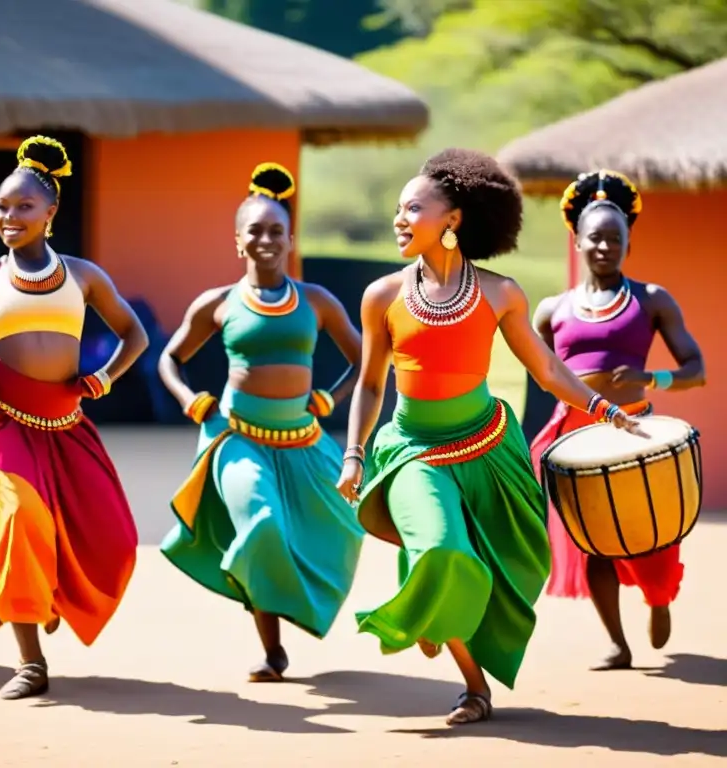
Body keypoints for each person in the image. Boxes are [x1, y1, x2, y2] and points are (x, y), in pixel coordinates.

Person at [336, 149, 644, 725]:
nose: (399, 219)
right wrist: (354, 454)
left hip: (485, 446)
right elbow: (371, 385)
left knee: (492, 566)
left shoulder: (502, 293)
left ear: (452, 219)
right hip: (411, 455)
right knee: (442, 551)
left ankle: (450, 640)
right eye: (397, 210)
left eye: (412, 208)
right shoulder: (381, 296)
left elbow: (548, 370)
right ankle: (469, 678)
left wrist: (604, 408)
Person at [0, 136, 147, 700]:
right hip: (0, 419)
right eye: (1, 207)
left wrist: (104, 376)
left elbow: (132, 334)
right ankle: (30, 662)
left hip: (66, 425)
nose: (9, 217)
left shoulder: (84, 276)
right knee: (18, 522)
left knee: (112, 539)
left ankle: (31, 593)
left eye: (23, 207)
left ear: (51, 212)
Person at [159, 162, 365, 682]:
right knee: (262, 525)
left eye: (276, 231)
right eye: (255, 230)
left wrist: (330, 399)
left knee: (343, 527)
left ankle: (291, 604)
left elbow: (366, 361)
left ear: (291, 239)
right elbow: (168, 358)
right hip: (236, 439)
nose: (266, 239)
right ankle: (273, 652)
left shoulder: (316, 302)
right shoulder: (218, 304)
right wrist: (189, 400)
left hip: (302, 439)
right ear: (238, 241)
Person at [530, 170, 705, 671]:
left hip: (636, 434)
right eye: (596, 238)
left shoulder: (652, 299)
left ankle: (658, 596)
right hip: (576, 438)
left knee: (656, 538)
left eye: (615, 238)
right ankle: (616, 643)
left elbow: (698, 369)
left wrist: (653, 378)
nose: (605, 246)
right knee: (595, 542)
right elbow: (541, 375)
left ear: (628, 241)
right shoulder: (552, 311)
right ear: (577, 241)